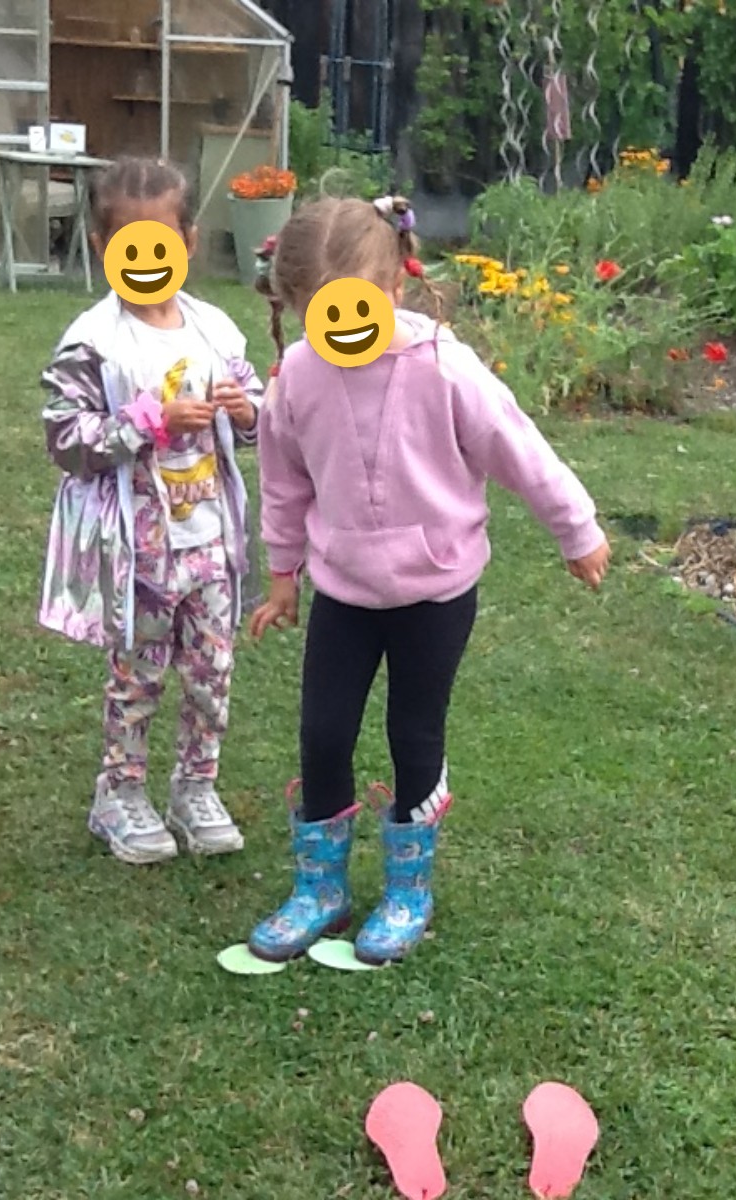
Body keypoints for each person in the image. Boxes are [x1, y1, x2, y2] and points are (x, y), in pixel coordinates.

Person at [245, 196, 611, 964]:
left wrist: (575, 529)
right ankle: (321, 888)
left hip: (435, 590)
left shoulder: (444, 367)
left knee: (413, 733)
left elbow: (517, 446)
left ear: (396, 288)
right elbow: (284, 482)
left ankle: (408, 889)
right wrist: (283, 574)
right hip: (344, 591)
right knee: (323, 732)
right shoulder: (298, 378)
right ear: (296, 308)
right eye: (320, 315)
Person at [38, 157, 263, 865]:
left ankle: (196, 788)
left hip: (211, 542)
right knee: (138, 676)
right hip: (139, 550)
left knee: (211, 672)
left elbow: (258, 415)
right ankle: (120, 794)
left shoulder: (215, 331)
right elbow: (66, 438)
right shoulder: (94, 341)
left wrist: (245, 411)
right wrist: (147, 423)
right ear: (102, 247)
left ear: (187, 242)